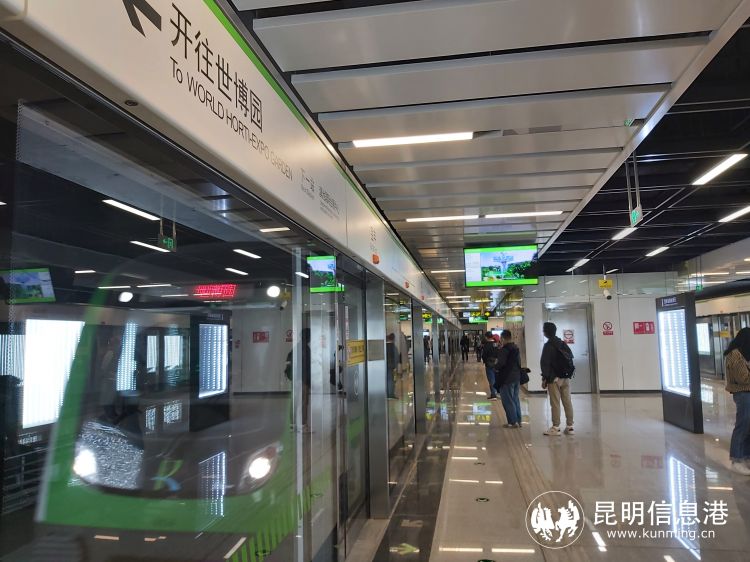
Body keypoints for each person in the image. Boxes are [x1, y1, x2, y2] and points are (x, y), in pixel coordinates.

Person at [540, 322, 575, 436]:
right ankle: (570, 427)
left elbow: (545, 364)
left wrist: (545, 379)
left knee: (555, 403)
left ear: (546, 332)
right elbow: (571, 357)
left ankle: (555, 427)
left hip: (554, 378)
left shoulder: (548, 345)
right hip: (565, 377)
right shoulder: (562, 343)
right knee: (567, 401)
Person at [723, 327, 750, 475]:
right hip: (743, 394)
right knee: (743, 425)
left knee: (748, 426)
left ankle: (745, 456)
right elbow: (743, 378)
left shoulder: (743, 353)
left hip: (747, 393)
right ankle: (736, 459)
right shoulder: (735, 355)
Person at [495, 330, 522, 428]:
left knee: (508, 401)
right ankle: (518, 421)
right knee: (515, 399)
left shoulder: (504, 350)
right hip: (516, 377)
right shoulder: (516, 348)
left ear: (502, 338)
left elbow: (500, 364)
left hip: (506, 379)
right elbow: (519, 363)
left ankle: (512, 422)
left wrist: (495, 366)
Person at [481, 331, 499, 400]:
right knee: (496, 378)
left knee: (491, 379)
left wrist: (484, 361)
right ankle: (497, 392)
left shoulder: (486, 345)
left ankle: (493, 394)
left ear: (486, 337)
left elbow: (484, 355)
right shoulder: (496, 344)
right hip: (496, 363)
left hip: (489, 364)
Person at [386, 333, 398, 399]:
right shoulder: (393, 347)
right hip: (391, 366)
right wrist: (395, 366)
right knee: (390, 380)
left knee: (386, 379)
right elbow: (396, 357)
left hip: (384, 366)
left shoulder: (384, 346)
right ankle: (390, 394)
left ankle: (386, 393)